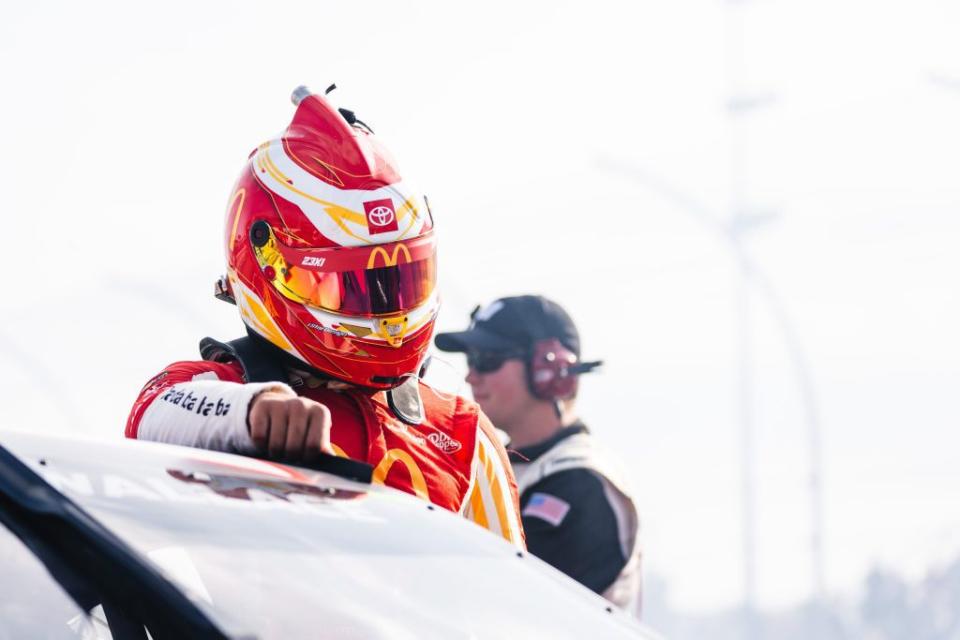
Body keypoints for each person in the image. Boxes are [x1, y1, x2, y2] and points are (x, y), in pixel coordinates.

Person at [125, 86, 524, 546]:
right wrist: (254, 413)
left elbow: (516, 605)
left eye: (401, 280)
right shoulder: (224, 393)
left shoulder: (463, 433)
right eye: (348, 286)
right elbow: (153, 411)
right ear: (266, 265)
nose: (386, 314)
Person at [435, 295, 642, 613]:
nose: (471, 376)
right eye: (470, 360)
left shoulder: (581, 482)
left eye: (487, 359)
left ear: (549, 370)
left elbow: (506, 605)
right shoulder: (500, 465)